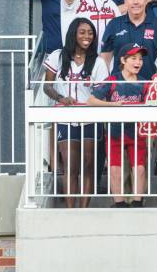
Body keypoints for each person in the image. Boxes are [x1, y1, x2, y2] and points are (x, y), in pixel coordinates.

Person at [42, 18, 109, 208]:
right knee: (70, 166)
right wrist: (61, 98)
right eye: (82, 32)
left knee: (88, 167)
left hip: (90, 118)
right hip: (65, 116)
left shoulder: (98, 62)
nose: (87, 36)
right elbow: (47, 87)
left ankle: (83, 210)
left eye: (90, 33)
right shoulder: (58, 56)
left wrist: (95, 97)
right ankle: (71, 211)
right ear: (73, 34)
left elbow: (102, 91)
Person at [88, 44, 148, 208]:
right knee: (115, 168)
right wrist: (112, 105)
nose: (138, 62)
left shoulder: (144, 82)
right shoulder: (112, 80)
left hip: (137, 132)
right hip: (115, 132)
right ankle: (119, 202)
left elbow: (156, 102)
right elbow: (92, 100)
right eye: (134, 58)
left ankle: (137, 201)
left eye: (140, 59)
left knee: (140, 168)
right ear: (123, 60)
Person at [101, 0, 157, 78]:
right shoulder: (114, 24)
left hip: (148, 89)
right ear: (125, 0)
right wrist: (107, 87)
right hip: (118, 89)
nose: (135, 2)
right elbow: (105, 59)